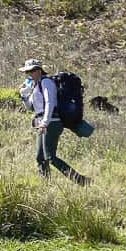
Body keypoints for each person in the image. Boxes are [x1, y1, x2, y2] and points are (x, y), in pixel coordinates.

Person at [18, 58, 90, 186]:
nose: (29, 74)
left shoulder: (46, 82)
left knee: (50, 157)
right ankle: (45, 185)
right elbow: (30, 107)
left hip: (51, 122)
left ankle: (81, 180)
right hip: (42, 123)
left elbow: (50, 103)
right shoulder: (35, 85)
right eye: (27, 72)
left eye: (32, 71)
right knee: (40, 158)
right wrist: (23, 95)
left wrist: (45, 122)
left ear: (39, 70)